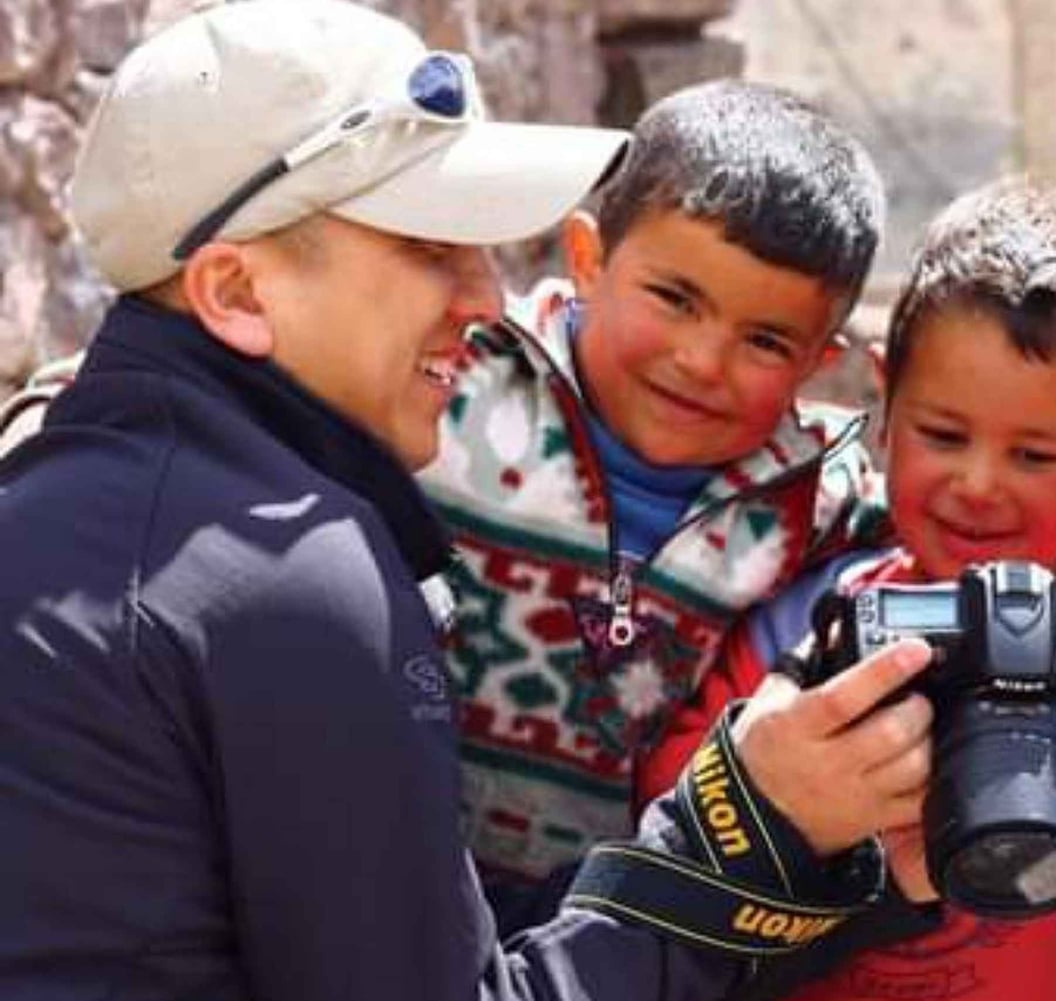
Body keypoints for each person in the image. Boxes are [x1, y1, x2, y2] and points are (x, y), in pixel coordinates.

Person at [0, 2, 939, 997]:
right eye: (430, 248)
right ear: (234, 292)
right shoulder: (283, 570)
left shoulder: (86, 503)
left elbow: (435, 945)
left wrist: (818, 860)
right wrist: (752, 825)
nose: (486, 299)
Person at [418, 79, 1056, 932]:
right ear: (587, 257)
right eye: (675, 298)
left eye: (765, 340)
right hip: (408, 878)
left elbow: (950, 509)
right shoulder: (454, 391)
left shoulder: (812, 492)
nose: (703, 359)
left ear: (818, 361)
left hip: (617, 924)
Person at [636, 181, 1056, 1001]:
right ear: (885, 404)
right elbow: (670, 804)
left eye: (1034, 456)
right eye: (942, 435)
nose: (978, 485)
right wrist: (796, 770)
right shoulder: (817, 625)